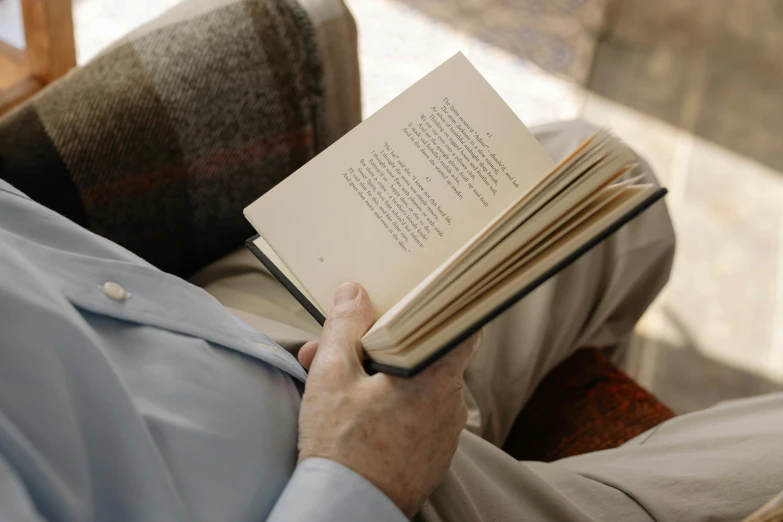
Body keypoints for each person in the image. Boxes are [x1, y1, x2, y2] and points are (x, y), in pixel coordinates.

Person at [0, 121, 781, 522]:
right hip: (333, 490)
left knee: (602, 177)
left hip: (212, 329)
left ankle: (506, 427)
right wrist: (362, 476)